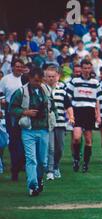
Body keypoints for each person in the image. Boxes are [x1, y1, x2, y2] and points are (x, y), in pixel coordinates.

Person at [10, 67, 56, 196]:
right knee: (31, 159)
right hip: (28, 130)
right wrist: (25, 112)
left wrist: (54, 118)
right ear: (30, 78)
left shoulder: (46, 89)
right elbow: (11, 109)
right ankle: (32, 186)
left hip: (44, 130)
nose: (38, 82)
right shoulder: (21, 92)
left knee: (42, 160)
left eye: (40, 80)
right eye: (35, 80)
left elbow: (53, 106)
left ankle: (39, 179)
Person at [66, 60, 101, 173]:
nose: (86, 70)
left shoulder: (95, 82)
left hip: (89, 111)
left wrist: (98, 115)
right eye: (84, 68)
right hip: (77, 110)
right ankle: (76, 159)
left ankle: (86, 163)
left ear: (91, 69)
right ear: (81, 68)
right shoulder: (74, 81)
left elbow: (97, 101)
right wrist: (69, 114)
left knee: (88, 139)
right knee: (76, 138)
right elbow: (68, 98)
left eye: (88, 68)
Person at [44, 66, 74, 180]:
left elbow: (68, 106)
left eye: (53, 76)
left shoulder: (62, 91)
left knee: (60, 148)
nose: (51, 78)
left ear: (57, 77)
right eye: (49, 76)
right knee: (50, 147)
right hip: (47, 124)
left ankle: (56, 165)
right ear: (45, 78)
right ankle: (50, 170)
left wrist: (71, 116)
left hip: (61, 123)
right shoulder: (43, 90)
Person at [0, 59, 24, 181]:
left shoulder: (24, 79)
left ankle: (20, 164)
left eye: (21, 66)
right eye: (17, 66)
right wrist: (3, 100)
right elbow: (0, 93)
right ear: (13, 67)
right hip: (10, 112)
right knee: (14, 139)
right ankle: (15, 167)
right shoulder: (6, 79)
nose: (19, 68)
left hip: (24, 112)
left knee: (23, 139)